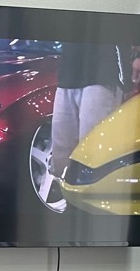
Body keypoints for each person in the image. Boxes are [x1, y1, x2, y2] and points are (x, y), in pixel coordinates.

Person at [47, 42, 126, 194]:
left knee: (93, 156)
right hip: (68, 74)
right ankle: (67, 199)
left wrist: (128, 76)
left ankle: (95, 201)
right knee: (60, 157)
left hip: (102, 73)